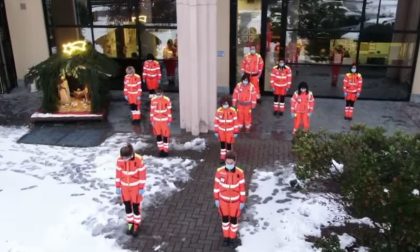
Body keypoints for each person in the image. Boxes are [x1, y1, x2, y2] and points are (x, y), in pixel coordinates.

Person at [213, 151, 246, 248]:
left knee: (234, 221)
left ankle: (232, 238)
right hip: (223, 202)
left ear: (235, 162)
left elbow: (242, 189)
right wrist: (216, 199)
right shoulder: (219, 172)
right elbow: (216, 187)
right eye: (227, 162)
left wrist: (242, 201)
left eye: (231, 163)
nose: (229, 164)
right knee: (225, 221)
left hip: (235, 202)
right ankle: (226, 238)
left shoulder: (240, 173)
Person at [115, 143, 146, 237]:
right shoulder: (119, 160)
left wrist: (141, 188)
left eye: (125, 158)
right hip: (125, 188)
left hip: (135, 188)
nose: (123, 160)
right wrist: (117, 186)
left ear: (130, 155)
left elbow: (142, 175)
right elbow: (118, 174)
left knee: (136, 208)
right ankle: (130, 225)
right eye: (122, 157)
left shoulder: (139, 160)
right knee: (128, 208)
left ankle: (136, 225)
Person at [214, 96, 239, 164]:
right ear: (221, 104)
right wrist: (216, 131)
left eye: (226, 104)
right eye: (224, 104)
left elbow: (235, 122)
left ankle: (229, 159)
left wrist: (236, 131)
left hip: (230, 132)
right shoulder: (219, 111)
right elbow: (216, 122)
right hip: (221, 131)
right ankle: (222, 158)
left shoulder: (233, 111)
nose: (225, 105)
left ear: (229, 104)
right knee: (222, 146)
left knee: (229, 146)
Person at [150, 89, 172, 157]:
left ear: (162, 93)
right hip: (156, 121)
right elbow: (152, 111)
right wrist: (152, 120)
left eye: (160, 94)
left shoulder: (167, 99)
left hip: (164, 121)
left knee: (165, 136)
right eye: (157, 94)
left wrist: (169, 120)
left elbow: (169, 111)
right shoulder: (153, 99)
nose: (158, 96)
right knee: (158, 136)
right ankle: (161, 149)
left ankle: (166, 150)